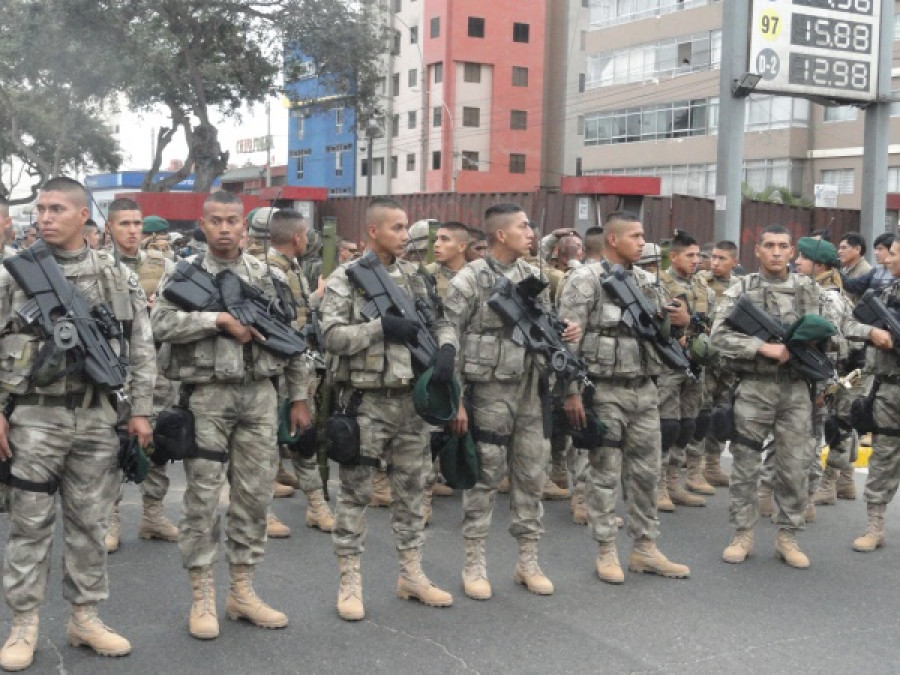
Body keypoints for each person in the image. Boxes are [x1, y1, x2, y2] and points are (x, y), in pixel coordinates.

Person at [0, 177, 156, 670]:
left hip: (96, 414)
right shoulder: (12, 277)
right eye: (41, 208)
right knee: (29, 526)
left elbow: (141, 346)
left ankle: (85, 618)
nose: (44, 217)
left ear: (83, 217)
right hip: (33, 415)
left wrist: (141, 412)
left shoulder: (113, 276)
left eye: (56, 209)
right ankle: (23, 625)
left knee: (90, 523)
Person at [151, 191, 313, 640]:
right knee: (202, 498)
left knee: (255, 496)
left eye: (232, 221)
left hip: (260, 397)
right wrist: (216, 320)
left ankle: (242, 590)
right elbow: (159, 325)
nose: (225, 228)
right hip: (206, 399)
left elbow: (290, 338)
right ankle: (202, 594)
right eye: (216, 221)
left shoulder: (266, 275)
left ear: (244, 226)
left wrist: (298, 397)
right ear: (202, 225)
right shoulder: (182, 275)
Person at [436, 203, 581, 600]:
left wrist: (566, 331)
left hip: (531, 392)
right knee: (484, 477)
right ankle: (474, 561)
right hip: (488, 393)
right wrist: (457, 400)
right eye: (522, 227)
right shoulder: (472, 278)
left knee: (531, 476)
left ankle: (527, 561)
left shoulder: (531, 276)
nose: (531, 232)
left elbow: (546, 324)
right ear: (501, 235)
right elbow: (449, 326)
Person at [321, 197, 452, 621]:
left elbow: (443, 319)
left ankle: (411, 574)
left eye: (406, 226)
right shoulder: (347, 278)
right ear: (373, 232)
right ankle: (349, 581)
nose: (405, 233)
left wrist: (448, 348)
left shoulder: (417, 278)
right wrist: (381, 328)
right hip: (366, 403)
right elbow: (331, 337)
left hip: (413, 404)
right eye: (396, 227)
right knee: (356, 493)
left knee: (414, 492)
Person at [558, 211, 691, 584]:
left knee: (647, 473)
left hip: (645, 389)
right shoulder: (585, 281)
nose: (642, 242)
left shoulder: (649, 282)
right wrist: (571, 393)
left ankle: (645, 547)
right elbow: (567, 341)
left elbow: (666, 332)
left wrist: (683, 321)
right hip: (603, 390)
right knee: (603, 475)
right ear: (613, 240)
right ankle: (606, 550)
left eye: (643, 235)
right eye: (635, 236)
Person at [710, 226, 841, 569]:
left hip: (797, 389)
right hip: (754, 387)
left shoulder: (809, 289)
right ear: (758, 251)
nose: (777, 252)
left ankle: (788, 536)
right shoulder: (743, 289)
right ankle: (743, 534)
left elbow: (836, 332)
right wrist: (762, 347)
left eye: (784, 246)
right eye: (770, 245)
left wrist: (813, 342)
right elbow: (718, 336)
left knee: (795, 466)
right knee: (746, 465)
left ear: (793, 252)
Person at [252, 208, 335, 537]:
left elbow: (297, 316)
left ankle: (317, 506)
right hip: (276, 368)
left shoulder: (291, 267)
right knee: (267, 443)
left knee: (302, 437)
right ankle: (264, 512)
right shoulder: (270, 270)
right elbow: (279, 324)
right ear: (298, 237)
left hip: (296, 365)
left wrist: (316, 297)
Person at [103, 199, 179, 553]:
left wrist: (159, 309)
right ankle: (111, 517)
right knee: (112, 444)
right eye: (125, 224)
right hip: (111, 369)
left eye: (137, 224)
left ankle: (153, 513)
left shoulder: (163, 266)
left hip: (157, 369)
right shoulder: (98, 267)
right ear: (110, 228)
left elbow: (184, 307)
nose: (133, 231)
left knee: (158, 440)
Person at [656, 231, 715, 510]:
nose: (696, 260)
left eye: (698, 255)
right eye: (690, 255)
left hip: (695, 363)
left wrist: (695, 325)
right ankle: (657, 487)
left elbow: (717, 322)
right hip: (667, 364)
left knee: (687, 424)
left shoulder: (704, 287)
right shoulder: (658, 284)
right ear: (674, 256)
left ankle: (674, 482)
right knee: (666, 426)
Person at [852, 236, 900, 552]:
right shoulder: (885, 294)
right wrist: (873, 334)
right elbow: (853, 323)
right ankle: (875, 526)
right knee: (883, 456)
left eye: (893, 253)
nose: (887, 258)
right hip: (891, 390)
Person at [421, 221, 471, 511]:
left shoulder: (476, 277)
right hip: (440, 358)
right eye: (436, 239)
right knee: (432, 429)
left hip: (473, 359)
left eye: (445, 239)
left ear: (462, 246)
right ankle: (423, 496)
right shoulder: (425, 277)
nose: (437, 244)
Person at [698, 241, 740, 488]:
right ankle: (694, 464)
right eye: (713, 257)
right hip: (705, 357)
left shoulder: (740, 287)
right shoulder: (700, 282)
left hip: (729, 359)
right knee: (700, 409)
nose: (715, 263)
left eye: (722, 258)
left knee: (722, 410)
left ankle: (712, 463)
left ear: (734, 262)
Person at [842, 233, 895, 297]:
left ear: (892, 250)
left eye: (880, 249)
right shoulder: (875, 271)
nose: (876, 252)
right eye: (875, 249)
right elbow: (853, 286)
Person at [839, 233, 872, 302]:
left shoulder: (866, 271)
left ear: (857, 249)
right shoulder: (844, 270)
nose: (839, 251)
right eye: (839, 248)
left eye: (844, 248)